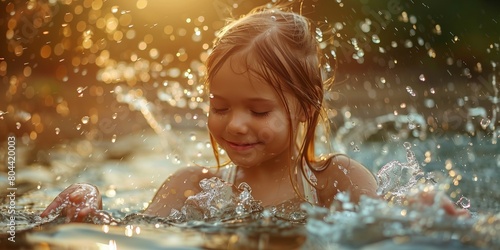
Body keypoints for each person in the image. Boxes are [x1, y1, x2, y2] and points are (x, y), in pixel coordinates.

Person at [40, 6, 468, 223]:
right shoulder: (191, 186)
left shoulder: (337, 181)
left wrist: (421, 212)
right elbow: (137, 236)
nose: (235, 123)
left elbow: (383, 234)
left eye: (259, 110)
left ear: (306, 107)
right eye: (219, 106)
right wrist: (88, 209)